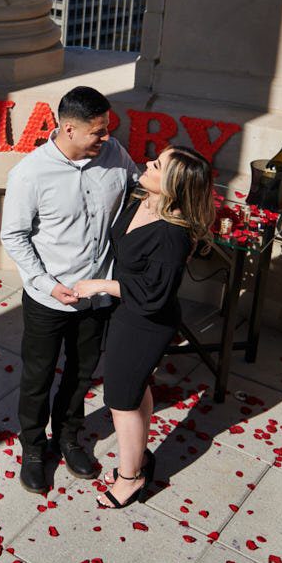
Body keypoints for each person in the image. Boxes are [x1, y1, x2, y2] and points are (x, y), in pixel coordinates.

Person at [0, 87, 140, 495]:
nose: (106, 138)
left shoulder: (114, 153)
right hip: (49, 299)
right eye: (97, 131)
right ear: (68, 128)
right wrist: (47, 284)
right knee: (38, 376)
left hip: (98, 295)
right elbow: (14, 236)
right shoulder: (30, 174)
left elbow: (136, 192)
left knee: (80, 374)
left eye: (108, 129)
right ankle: (32, 448)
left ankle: (68, 436)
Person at [74, 146, 216, 508]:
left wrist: (101, 286)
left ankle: (130, 478)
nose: (147, 164)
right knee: (135, 391)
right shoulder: (142, 200)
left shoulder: (172, 234)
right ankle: (138, 459)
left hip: (146, 324)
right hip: (127, 315)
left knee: (121, 400)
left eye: (157, 165)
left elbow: (155, 295)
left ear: (172, 184)